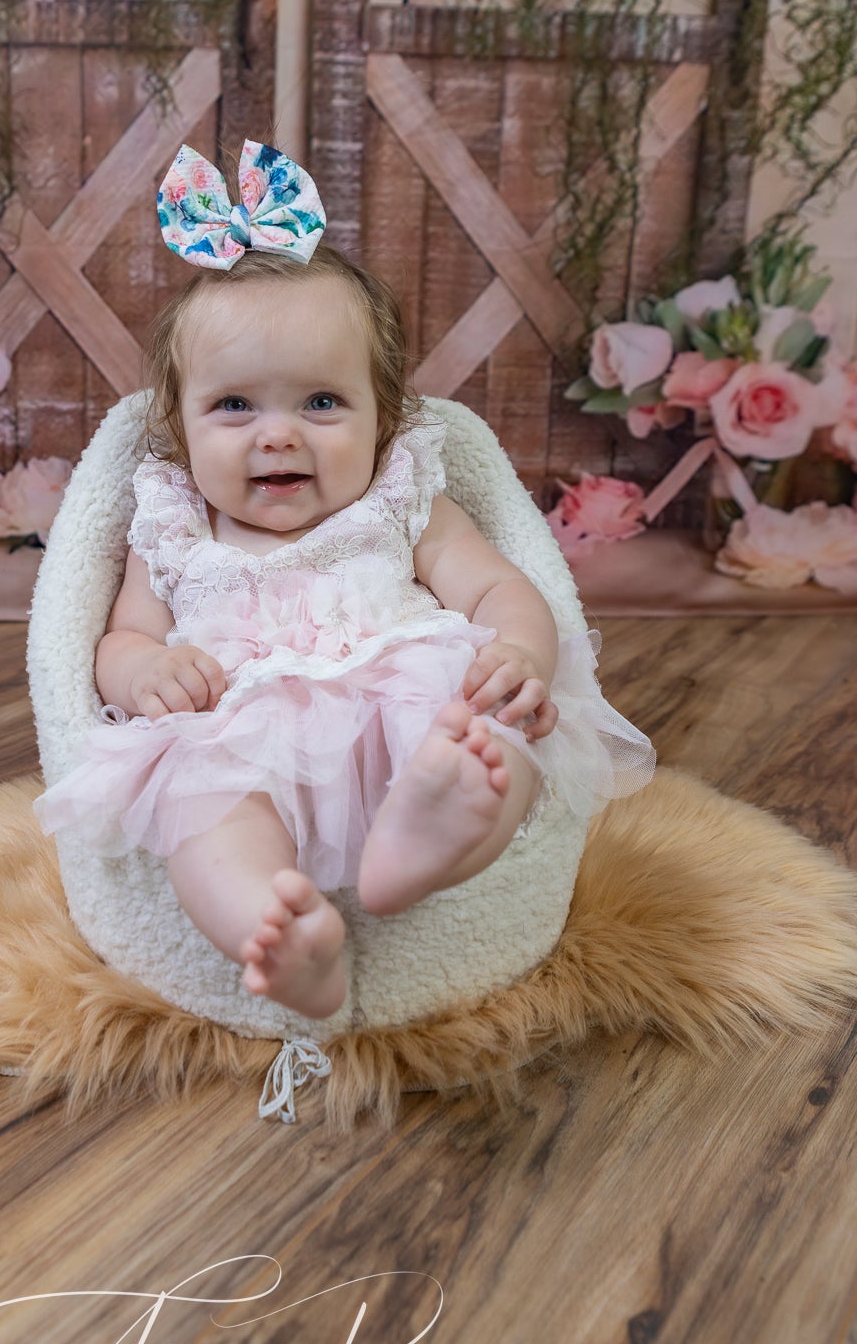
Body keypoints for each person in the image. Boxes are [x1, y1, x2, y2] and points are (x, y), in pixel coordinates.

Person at [33, 141, 656, 1021]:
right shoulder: (172, 522)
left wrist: (518, 651)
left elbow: (499, 589)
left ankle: (427, 842)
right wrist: (141, 672)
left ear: (383, 418)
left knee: (493, 741)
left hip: (405, 700)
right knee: (200, 812)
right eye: (234, 406)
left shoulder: (401, 501)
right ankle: (282, 935)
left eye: (321, 403)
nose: (278, 435)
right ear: (176, 426)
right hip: (234, 725)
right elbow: (121, 635)